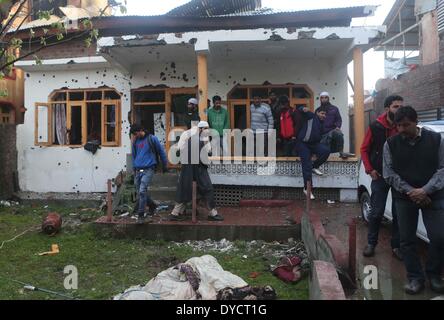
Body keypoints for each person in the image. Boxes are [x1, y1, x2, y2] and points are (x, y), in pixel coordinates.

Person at [383, 106, 444, 295]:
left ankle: (434, 274)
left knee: (439, 237)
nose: (401, 129)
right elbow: (389, 172)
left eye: (405, 125)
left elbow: (442, 168)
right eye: (398, 125)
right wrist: (412, 192)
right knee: (407, 240)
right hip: (404, 197)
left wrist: (425, 190)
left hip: (433, 196)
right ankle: (415, 278)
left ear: (416, 122)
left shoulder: (436, 140)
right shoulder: (390, 144)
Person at [361, 95, 403, 260]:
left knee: (398, 213)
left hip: (399, 177)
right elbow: (364, 149)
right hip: (379, 175)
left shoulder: (403, 126)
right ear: (387, 109)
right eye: (396, 107)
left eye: (401, 106)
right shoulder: (376, 126)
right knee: (376, 212)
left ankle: (397, 246)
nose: (399, 109)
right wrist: (369, 169)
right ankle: (371, 243)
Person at [169, 121, 224, 222]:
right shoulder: (200, 140)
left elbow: (180, 152)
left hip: (187, 169)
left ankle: (175, 213)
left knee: (185, 190)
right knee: (208, 189)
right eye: (206, 129)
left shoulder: (189, 139)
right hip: (198, 169)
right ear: (201, 129)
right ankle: (213, 213)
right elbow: (204, 159)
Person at [130, 124, 169, 224]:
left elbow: (161, 151)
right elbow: (134, 156)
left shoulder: (152, 139)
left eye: (135, 133)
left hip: (149, 169)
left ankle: (141, 215)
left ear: (140, 130)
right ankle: (152, 205)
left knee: (142, 190)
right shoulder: (135, 142)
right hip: (138, 170)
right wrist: (134, 169)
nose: (135, 135)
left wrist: (165, 165)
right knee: (140, 192)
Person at [295, 106, 330, 200]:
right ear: (317, 113)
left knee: (326, 151)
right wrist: (302, 108)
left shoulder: (322, 124)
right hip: (303, 144)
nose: (324, 116)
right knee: (306, 165)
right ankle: (307, 189)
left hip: (314, 145)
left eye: (325, 114)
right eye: (322, 113)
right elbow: (298, 110)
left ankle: (314, 166)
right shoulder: (311, 116)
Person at [316, 92, 354, 158]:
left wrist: (337, 127)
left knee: (338, 133)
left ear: (328, 98)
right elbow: (315, 122)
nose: (324, 99)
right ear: (320, 99)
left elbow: (338, 119)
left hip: (332, 131)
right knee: (323, 153)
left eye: (326, 97)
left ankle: (341, 153)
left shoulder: (334, 109)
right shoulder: (317, 110)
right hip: (322, 134)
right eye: (322, 98)